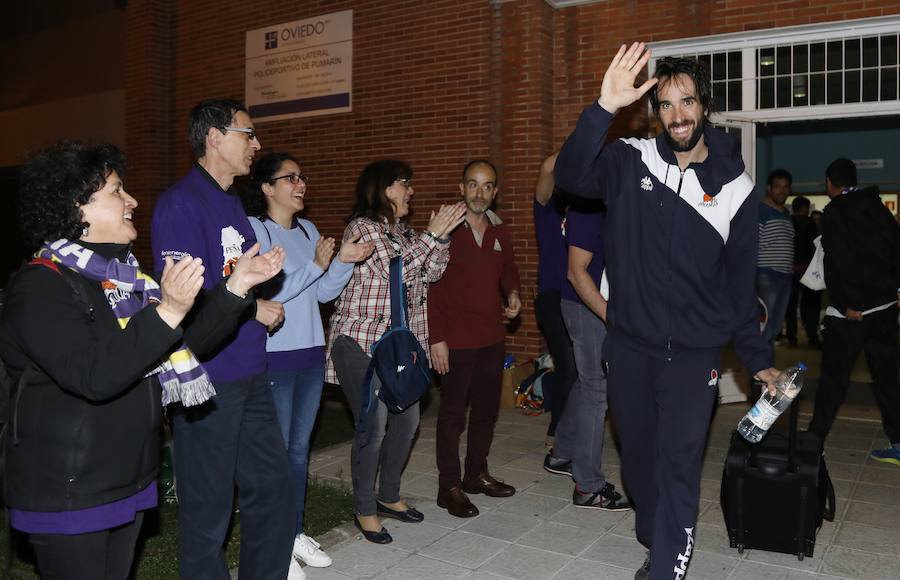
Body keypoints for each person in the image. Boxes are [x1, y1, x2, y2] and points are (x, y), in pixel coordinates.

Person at [0, 141, 283, 580]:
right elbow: (93, 375)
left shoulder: (128, 281)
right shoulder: (42, 285)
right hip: (69, 490)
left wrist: (236, 288)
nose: (132, 201)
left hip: (126, 478)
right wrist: (168, 310)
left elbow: (187, 343)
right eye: (117, 191)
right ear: (77, 208)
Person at [554, 44, 779, 580]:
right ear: (654, 110)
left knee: (679, 468)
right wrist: (603, 109)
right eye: (667, 104)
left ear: (705, 107)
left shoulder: (735, 191)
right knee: (639, 466)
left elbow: (738, 284)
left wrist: (757, 357)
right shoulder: (628, 160)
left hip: (695, 357)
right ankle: (658, 541)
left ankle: (667, 570)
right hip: (630, 347)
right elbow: (568, 177)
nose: (678, 115)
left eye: (688, 102)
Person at [151, 98, 296, 579]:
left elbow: (235, 279)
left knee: (273, 492)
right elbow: (187, 304)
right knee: (208, 513)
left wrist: (258, 287)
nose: (256, 144)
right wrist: (253, 303)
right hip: (207, 380)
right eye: (247, 134)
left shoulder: (232, 202)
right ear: (214, 137)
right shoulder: (181, 203)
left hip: (250, 370)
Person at [242, 152, 374, 573]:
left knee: (298, 451)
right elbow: (263, 298)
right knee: (276, 454)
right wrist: (316, 266)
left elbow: (319, 296)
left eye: (303, 177)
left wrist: (340, 265)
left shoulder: (308, 230)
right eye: (291, 178)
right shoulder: (253, 232)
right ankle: (274, 546)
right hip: (273, 357)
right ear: (266, 187)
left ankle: (293, 532)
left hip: (310, 356)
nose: (301, 185)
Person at [326, 160, 465, 544]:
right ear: (385, 188)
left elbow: (430, 272)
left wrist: (439, 238)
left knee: (407, 421)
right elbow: (395, 270)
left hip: (399, 345)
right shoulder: (362, 228)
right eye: (405, 183)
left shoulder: (403, 233)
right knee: (373, 425)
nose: (412, 191)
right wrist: (431, 238)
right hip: (360, 340)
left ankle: (389, 496)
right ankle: (365, 508)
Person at [429, 160, 521, 518]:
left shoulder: (500, 232)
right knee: (452, 416)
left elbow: (508, 269)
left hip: (491, 338)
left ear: (495, 192)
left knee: (486, 412)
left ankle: (475, 475)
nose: (479, 193)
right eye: (473, 185)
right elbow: (429, 286)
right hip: (454, 341)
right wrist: (436, 337)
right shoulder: (444, 230)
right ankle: (447, 486)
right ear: (461, 187)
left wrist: (512, 294)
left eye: (487, 186)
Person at [807, 158, 900, 466]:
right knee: (887, 378)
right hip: (885, 309)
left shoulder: (835, 214)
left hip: (852, 313)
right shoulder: (879, 209)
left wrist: (851, 304)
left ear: (829, 184)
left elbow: (839, 262)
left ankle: (814, 442)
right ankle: (898, 442)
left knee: (833, 379)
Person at [542, 205, 632, 512]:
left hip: (590, 305)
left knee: (587, 382)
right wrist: (611, 316)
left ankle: (562, 452)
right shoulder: (588, 208)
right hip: (587, 306)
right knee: (597, 391)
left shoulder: (603, 204)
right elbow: (576, 272)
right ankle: (588, 486)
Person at [533, 152, 578, 448]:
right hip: (552, 296)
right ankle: (556, 432)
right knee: (569, 365)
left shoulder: (589, 210)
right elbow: (547, 166)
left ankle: (576, 426)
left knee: (586, 368)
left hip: (584, 296)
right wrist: (583, 144)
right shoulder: (547, 207)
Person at [756, 168, 795, 348]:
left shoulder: (785, 215)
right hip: (766, 275)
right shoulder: (759, 211)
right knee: (763, 326)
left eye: (786, 187)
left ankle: (765, 367)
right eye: (778, 186)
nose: (782, 191)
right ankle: (758, 370)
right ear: (769, 188)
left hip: (785, 276)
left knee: (774, 327)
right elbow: (750, 245)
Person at [785, 195, 822, 348]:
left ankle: (791, 337)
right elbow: (816, 247)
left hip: (790, 269)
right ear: (806, 208)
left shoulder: (788, 222)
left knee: (790, 305)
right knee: (811, 305)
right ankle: (812, 336)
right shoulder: (810, 223)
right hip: (807, 270)